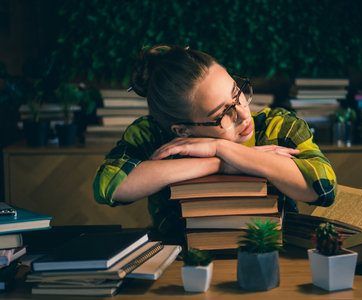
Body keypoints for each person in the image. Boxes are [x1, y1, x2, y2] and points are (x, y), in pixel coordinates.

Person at [93, 45, 337, 243]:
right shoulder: (152, 134)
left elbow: (323, 189)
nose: (243, 114)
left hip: (275, 259)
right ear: (182, 131)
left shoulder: (278, 126)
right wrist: (219, 164)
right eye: (223, 115)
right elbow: (110, 187)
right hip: (179, 265)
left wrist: (222, 148)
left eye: (237, 92)